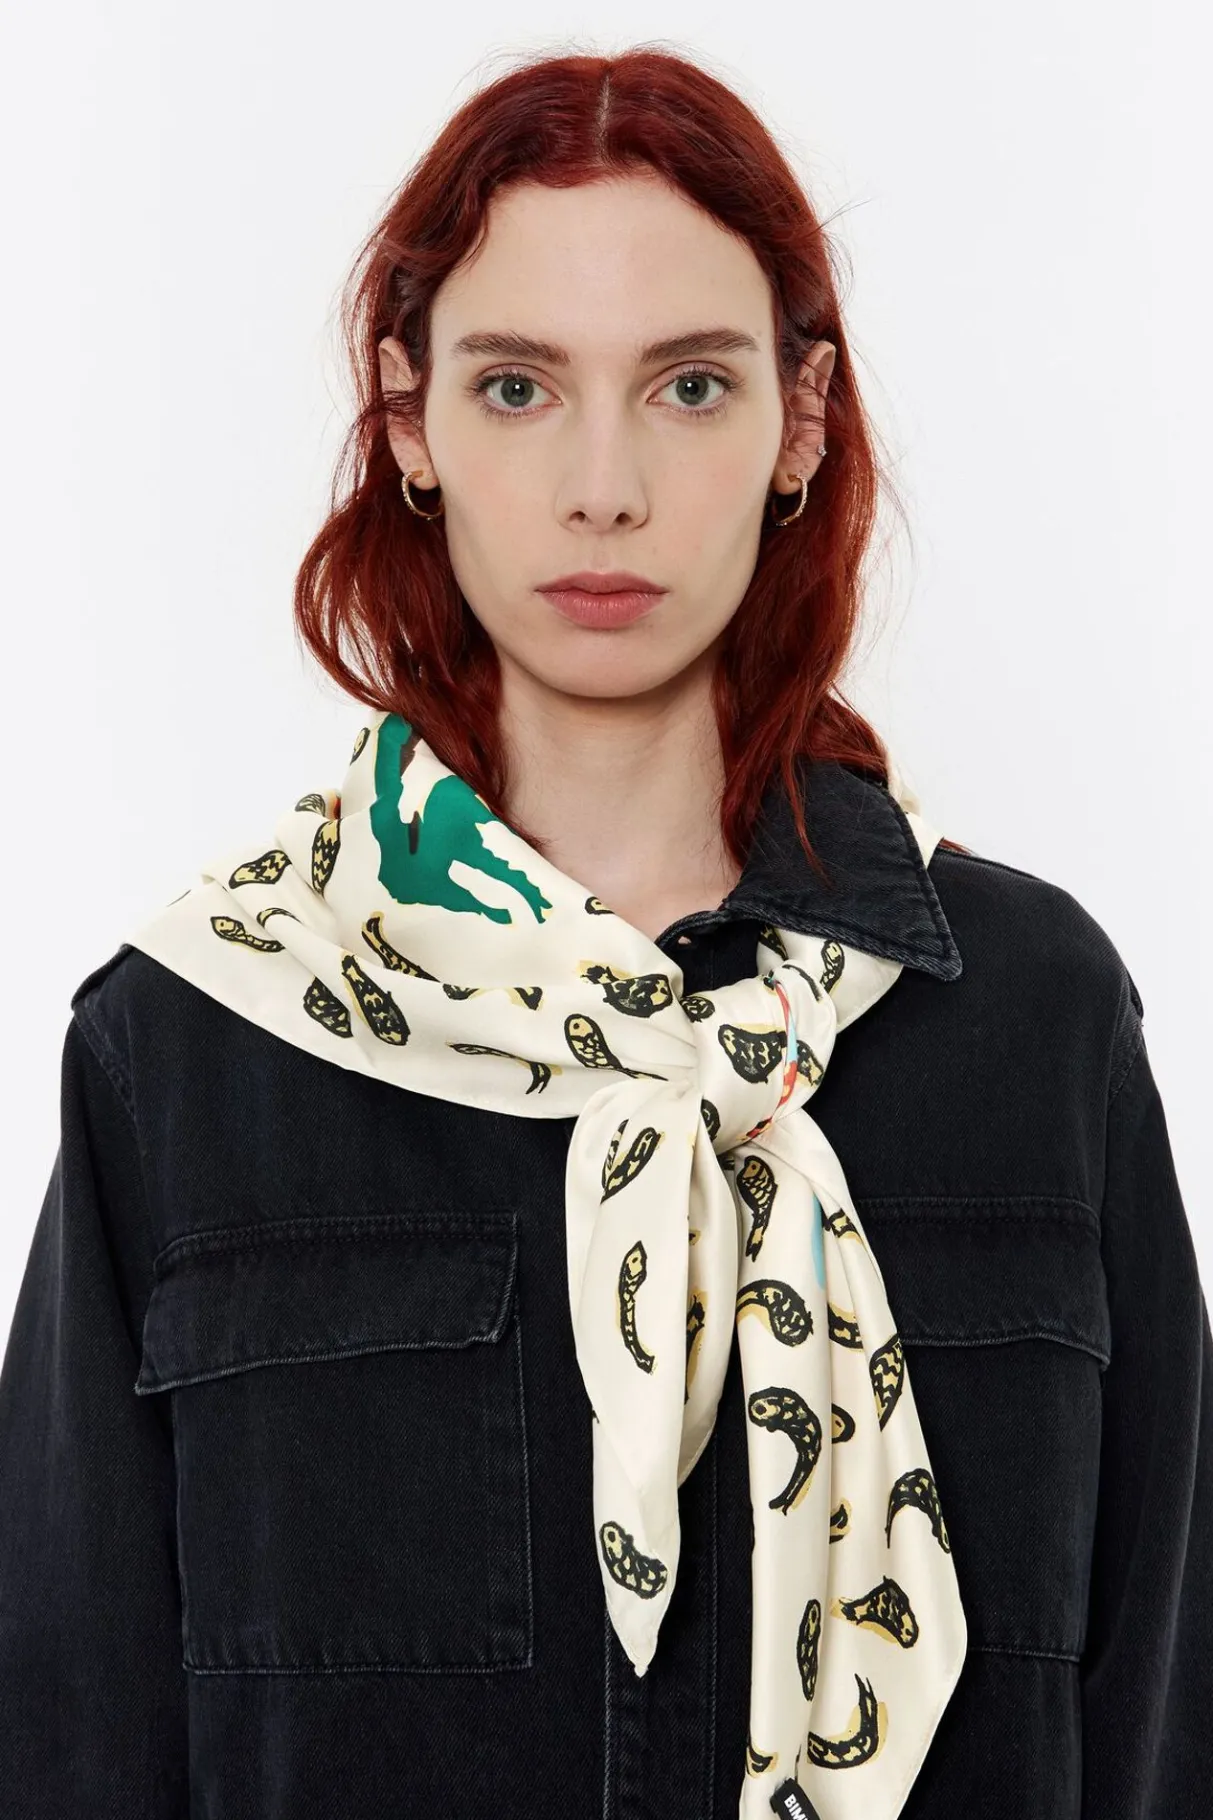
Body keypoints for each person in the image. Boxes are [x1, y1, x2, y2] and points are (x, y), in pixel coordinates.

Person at [1, 44, 1209, 1820]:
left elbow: (1163, 1726)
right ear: (408, 419)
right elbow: (70, 1744)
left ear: (802, 419)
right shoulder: (192, 1046)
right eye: (517, 387)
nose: (603, 486)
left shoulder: (1036, 1024)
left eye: (689, 385)